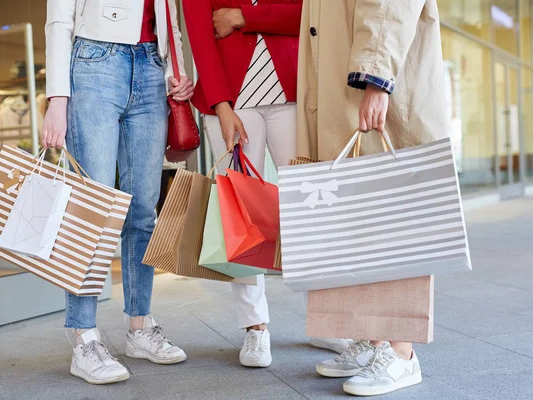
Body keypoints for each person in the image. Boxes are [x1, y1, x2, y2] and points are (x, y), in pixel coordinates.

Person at [183, 0, 350, 368]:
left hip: (293, 91)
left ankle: (325, 318)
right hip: (230, 98)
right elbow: (200, 32)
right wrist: (221, 106)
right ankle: (254, 326)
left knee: (309, 206)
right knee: (241, 216)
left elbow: (309, 13)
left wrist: (243, 17)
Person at [296, 0, 449, 396]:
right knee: (360, 225)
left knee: (393, 222)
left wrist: (377, 79)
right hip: (347, 85)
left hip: (377, 83)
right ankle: (374, 340)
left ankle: (402, 353)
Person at [43, 0, 194, 384]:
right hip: (94, 62)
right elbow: (59, 17)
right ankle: (82, 335)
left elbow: (166, 18)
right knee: (93, 209)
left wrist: (177, 73)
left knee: (143, 210)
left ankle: (139, 325)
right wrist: (57, 98)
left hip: (151, 68)